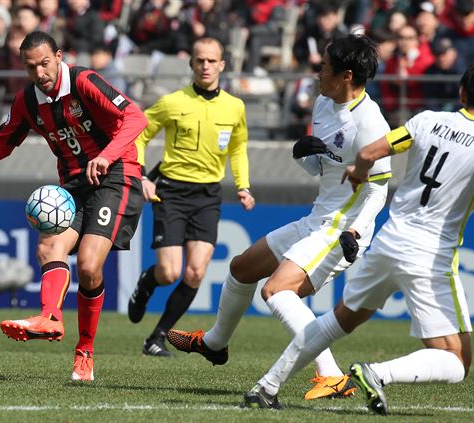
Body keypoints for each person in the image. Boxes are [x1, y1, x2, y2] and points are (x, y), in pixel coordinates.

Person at [241, 57, 474, 413]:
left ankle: (266, 387)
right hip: (428, 256)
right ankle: (377, 373)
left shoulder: (426, 120)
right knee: (457, 360)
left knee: (336, 322)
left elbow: (372, 150)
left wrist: (358, 170)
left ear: (462, 91)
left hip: (388, 242)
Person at [167, 34, 393, 401]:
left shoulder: (370, 124)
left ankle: (331, 375)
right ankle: (215, 343)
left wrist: (355, 229)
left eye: (325, 68)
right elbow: (320, 168)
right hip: (317, 218)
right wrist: (304, 155)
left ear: (347, 75)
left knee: (276, 291)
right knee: (241, 268)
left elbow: (378, 190)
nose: (318, 73)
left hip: (341, 229)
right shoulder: (323, 103)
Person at [0, 31, 148, 382]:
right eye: (31, 67)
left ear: (59, 56)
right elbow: (2, 144)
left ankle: (85, 349)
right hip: (74, 184)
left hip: (116, 174)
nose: (40, 72)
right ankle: (50, 317)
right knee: (49, 245)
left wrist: (105, 156)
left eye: (44, 63)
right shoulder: (27, 101)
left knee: (88, 265)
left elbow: (136, 117)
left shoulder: (85, 81)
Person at [127, 37, 255, 357]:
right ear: (192, 64)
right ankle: (146, 284)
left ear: (222, 65)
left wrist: (243, 185)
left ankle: (156, 337)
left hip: (208, 195)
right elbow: (139, 134)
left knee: (196, 272)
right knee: (169, 272)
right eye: (200, 60)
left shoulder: (234, 106)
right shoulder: (172, 102)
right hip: (170, 191)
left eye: (212, 61)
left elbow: (238, 147)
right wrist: (141, 175)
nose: (206, 66)